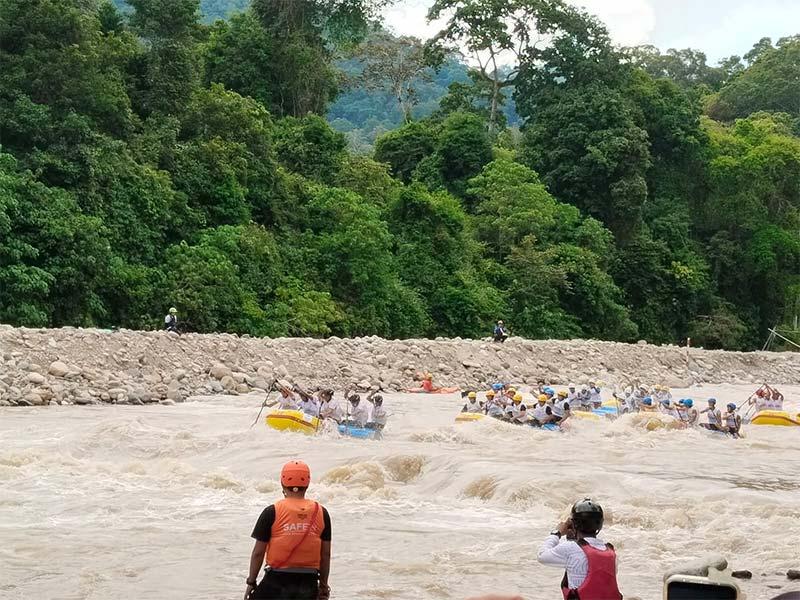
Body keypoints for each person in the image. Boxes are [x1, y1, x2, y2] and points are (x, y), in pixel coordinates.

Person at [245, 461, 331, 600]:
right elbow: (325, 554)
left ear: (282, 482)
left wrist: (251, 582)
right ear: (308, 483)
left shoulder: (272, 511)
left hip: (276, 581)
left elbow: (258, 553)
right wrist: (323, 586)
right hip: (308, 583)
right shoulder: (321, 512)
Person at [538, 498, 621, 600]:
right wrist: (573, 539)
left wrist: (556, 533)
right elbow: (597, 579)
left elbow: (542, 556)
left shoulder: (570, 548)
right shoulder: (611, 553)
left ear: (574, 524)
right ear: (600, 524)